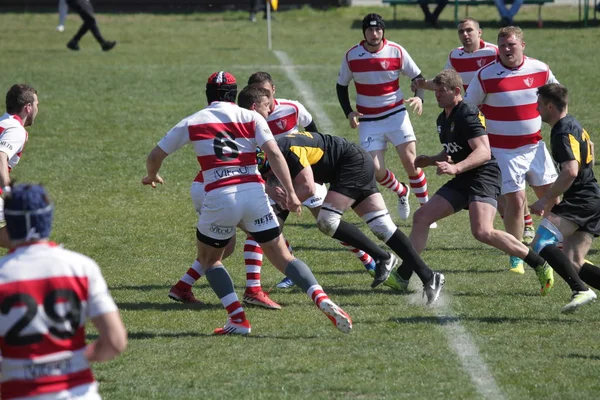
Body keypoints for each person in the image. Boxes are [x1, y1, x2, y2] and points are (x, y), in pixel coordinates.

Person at [143, 71, 352, 335]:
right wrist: (290, 192)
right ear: (235, 94)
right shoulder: (252, 116)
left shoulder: (194, 121)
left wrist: (152, 175)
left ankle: (238, 319)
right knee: (284, 257)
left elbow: (155, 155)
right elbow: (275, 154)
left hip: (219, 195)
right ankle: (321, 298)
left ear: (208, 94)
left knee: (210, 259)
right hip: (255, 194)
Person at [399, 69, 553, 294]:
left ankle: (539, 263)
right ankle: (403, 275)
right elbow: (454, 151)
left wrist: (455, 168)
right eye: (436, 91)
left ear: (457, 91)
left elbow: (483, 151)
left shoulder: (467, 113)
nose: (437, 95)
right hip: (464, 176)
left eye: (442, 91)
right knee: (422, 217)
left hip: (484, 176)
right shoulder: (443, 118)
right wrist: (431, 160)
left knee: (482, 231)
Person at [256, 130, 446, 305]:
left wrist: (291, 201)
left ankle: (382, 258)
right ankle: (429, 276)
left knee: (326, 221)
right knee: (382, 226)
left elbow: (307, 187)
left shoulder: (288, 151)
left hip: (350, 165)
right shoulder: (275, 151)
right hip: (352, 163)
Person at [247, 72, 399, 290]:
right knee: (266, 228)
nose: (265, 99)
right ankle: (280, 275)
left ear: (274, 89)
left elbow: (312, 131)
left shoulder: (292, 108)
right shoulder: (249, 118)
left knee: (329, 223)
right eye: (259, 94)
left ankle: (371, 261)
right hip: (274, 180)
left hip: (303, 173)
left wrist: (313, 165)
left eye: (267, 92)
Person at [412, 18, 536, 248]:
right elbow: (445, 82)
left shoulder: (494, 52)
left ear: (479, 32)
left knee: (506, 178)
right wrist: (423, 85)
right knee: (498, 184)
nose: (465, 35)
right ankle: (520, 228)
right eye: (461, 31)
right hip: (465, 117)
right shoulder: (455, 56)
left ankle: (529, 226)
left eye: (469, 30)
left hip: (492, 120)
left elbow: (508, 73)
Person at [0, 184, 127, 399]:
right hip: (79, 392)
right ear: (48, 219)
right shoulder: (81, 267)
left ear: (8, 225)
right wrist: (79, 356)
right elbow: (115, 342)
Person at [464, 26, 560, 274]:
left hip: (535, 146)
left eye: (512, 45)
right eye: (503, 45)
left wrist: (564, 128)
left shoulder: (540, 69)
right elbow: (467, 109)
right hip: (503, 151)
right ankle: (517, 254)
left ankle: (554, 246)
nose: (506, 49)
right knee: (516, 202)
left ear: (522, 46)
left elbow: (558, 98)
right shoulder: (486, 75)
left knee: (552, 196)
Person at [337, 13, 435, 227]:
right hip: (369, 121)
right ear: (364, 32)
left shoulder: (397, 51)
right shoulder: (352, 55)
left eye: (378, 29)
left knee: (411, 163)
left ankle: (426, 211)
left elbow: (418, 77)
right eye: (370, 30)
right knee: (375, 169)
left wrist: (419, 97)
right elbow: (341, 86)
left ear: (383, 31)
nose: (374, 33)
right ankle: (401, 190)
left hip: (396, 116)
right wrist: (349, 112)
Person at [530, 83, 600, 313]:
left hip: (580, 200)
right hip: (591, 196)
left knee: (541, 242)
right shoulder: (574, 125)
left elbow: (570, 170)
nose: (536, 109)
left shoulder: (562, 130)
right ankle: (581, 287)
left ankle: (580, 290)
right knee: (573, 261)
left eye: (539, 104)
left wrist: (546, 199)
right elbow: (589, 146)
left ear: (550, 106)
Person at [0, 84, 39, 249]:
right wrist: (8, 191)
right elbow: (0, 155)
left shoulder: (4, 123)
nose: (38, 109)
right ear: (28, 107)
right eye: (37, 105)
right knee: (27, 239)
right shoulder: (16, 130)